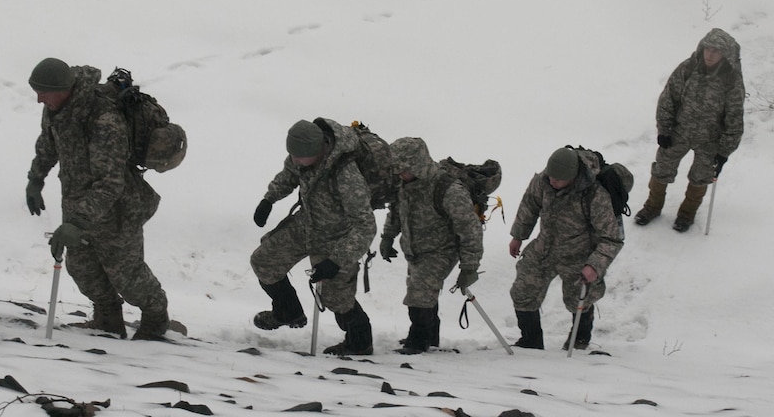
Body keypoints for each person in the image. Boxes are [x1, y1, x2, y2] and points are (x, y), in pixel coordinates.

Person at [25, 57, 170, 340]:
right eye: (36, 92)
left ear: (64, 88)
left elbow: (111, 183)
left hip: (118, 210)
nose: (39, 99)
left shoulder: (104, 120)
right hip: (78, 206)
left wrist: (77, 222)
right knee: (81, 268)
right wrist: (35, 178)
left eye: (44, 92)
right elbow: (47, 143)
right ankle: (108, 319)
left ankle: (155, 316)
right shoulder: (55, 109)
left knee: (127, 277)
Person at [250, 118, 377, 356]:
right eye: (292, 155)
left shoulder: (346, 175)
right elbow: (288, 174)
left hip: (339, 237)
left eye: (299, 156)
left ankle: (360, 343)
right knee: (264, 261)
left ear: (318, 150)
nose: (295, 160)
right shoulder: (300, 154)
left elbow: (366, 226)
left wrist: (337, 260)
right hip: (306, 224)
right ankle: (288, 312)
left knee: (337, 299)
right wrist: (268, 199)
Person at [508, 147, 623, 350]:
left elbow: (612, 238)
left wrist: (594, 265)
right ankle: (530, 341)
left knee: (578, 300)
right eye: (550, 177)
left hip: (578, 255)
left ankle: (579, 340)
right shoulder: (544, 180)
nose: (552, 182)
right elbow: (529, 205)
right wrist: (518, 235)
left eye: (558, 180)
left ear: (572, 177)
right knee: (523, 291)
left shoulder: (594, 195)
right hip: (544, 248)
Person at [378, 138, 483, 354]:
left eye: (403, 169)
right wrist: (388, 236)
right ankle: (431, 337)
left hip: (442, 250)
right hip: (415, 249)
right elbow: (396, 211)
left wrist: (469, 266)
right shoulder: (403, 183)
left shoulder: (448, 189)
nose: (399, 174)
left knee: (419, 293)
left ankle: (418, 341)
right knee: (422, 291)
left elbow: (470, 228)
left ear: (417, 165)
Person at [634, 28, 745, 232]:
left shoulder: (731, 81)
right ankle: (652, 207)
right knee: (662, 169)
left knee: (700, 177)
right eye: (708, 49)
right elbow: (668, 98)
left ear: (724, 54)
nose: (710, 54)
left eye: (716, 51)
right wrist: (664, 129)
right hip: (679, 131)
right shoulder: (688, 68)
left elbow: (735, 119)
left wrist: (723, 153)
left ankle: (686, 215)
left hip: (710, 140)